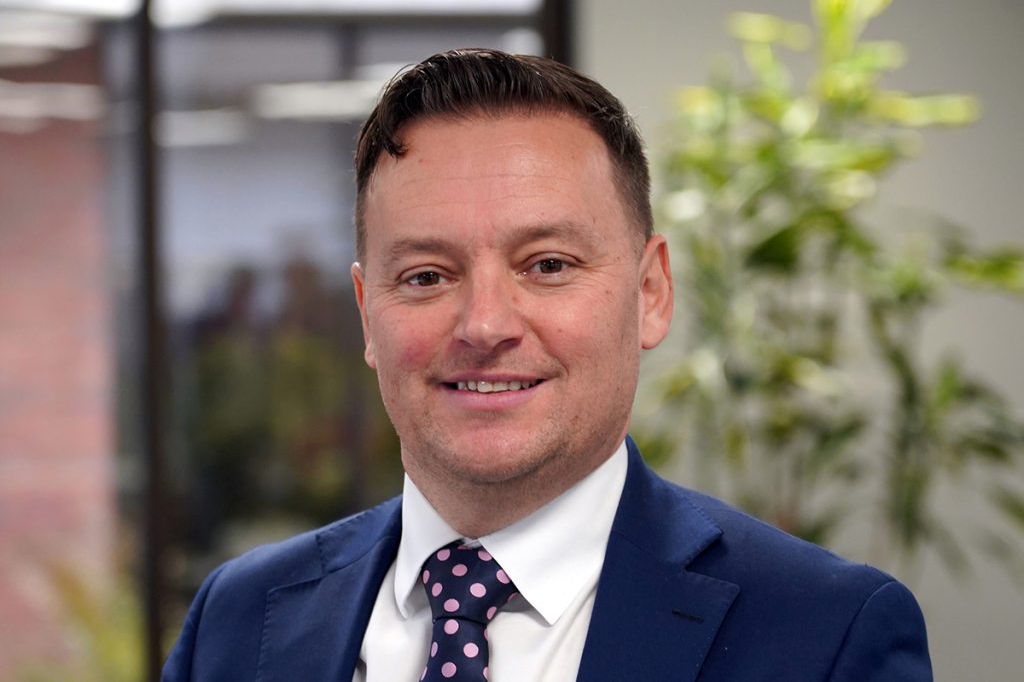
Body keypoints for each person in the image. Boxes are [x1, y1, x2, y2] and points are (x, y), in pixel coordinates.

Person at [162, 49, 932, 682]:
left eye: (548, 264)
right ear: (368, 314)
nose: (485, 325)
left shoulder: (825, 637)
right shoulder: (239, 620)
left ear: (651, 292)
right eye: (427, 275)